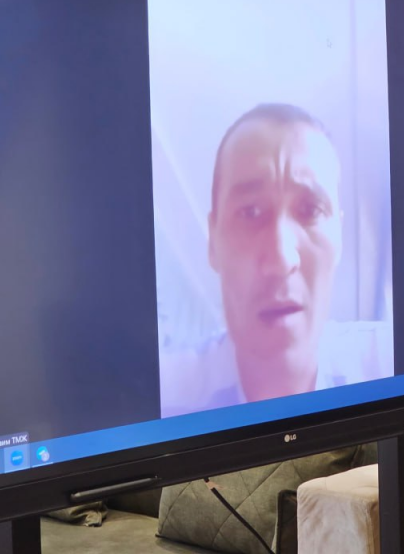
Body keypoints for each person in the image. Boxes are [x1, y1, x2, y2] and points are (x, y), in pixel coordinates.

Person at [158, 104, 391, 416]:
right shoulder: (160, 401)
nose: (281, 260)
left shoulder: (391, 365)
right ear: (213, 243)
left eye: (310, 210)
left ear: (339, 237)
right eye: (250, 212)